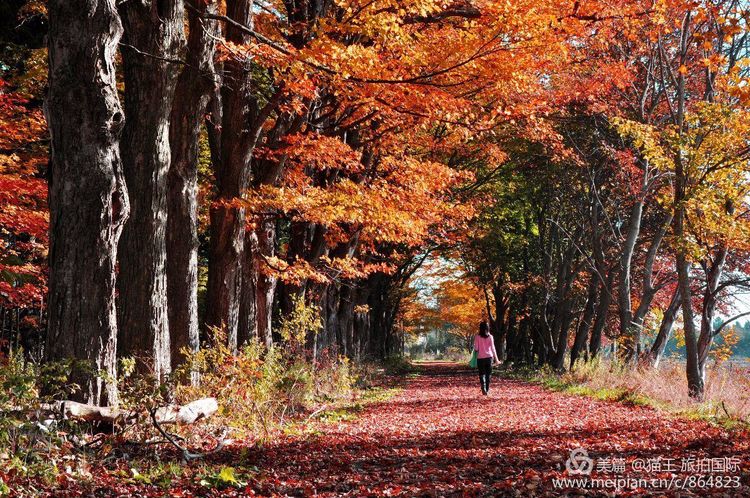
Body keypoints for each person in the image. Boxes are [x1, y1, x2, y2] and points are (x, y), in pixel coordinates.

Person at [473, 322, 499, 395]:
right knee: (488, 374)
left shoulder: (477, 337)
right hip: (489, 358)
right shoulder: (490, 337)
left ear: (480, 328)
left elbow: (476, 348)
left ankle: (483, 388)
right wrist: (496, 359)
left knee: (482, 374)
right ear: (488, 328)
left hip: (480, 358)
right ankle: (487, 390)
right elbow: (493, 348)